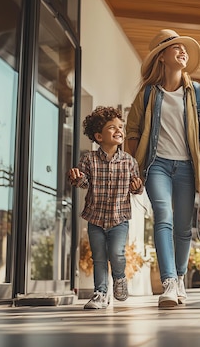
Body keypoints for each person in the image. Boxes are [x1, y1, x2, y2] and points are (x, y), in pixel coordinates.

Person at [125, 29, 200, 308]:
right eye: (176, 48)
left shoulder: (196, 93)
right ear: (162, 57)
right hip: (156, 164)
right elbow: (132, 132)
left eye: (183, 48)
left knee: (183, 228)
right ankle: (169, 282)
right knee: (163, 216)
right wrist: (132, 169)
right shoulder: (147, 95)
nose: (183, 52)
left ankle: (180, 278)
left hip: (187, 167)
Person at [69, 106, 144, 309]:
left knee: (117, 253)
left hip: (119, 219)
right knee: (99, 257)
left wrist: (137, 187)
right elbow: (84, 182)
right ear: (99, 136)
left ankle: (119, 278)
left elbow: (136, 188)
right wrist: (77, 178)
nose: (119, 130)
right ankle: (100, 293)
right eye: (112, 127)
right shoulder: (88, 159)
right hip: (95, 218)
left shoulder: (129, 161)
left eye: (120, 126)